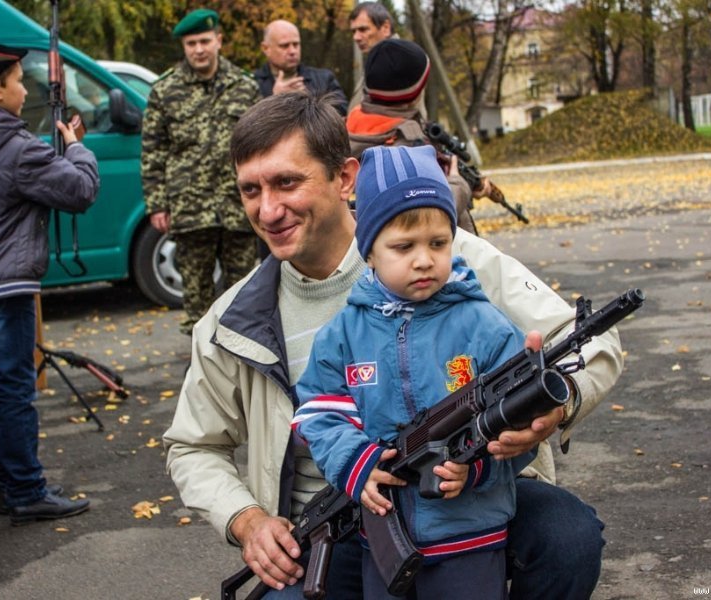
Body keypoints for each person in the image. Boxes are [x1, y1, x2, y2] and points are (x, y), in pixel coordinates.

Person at [164, 92, 622, 599]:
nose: (268, 209)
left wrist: (556, 405)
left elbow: (587, 340)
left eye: (287, 182)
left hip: (469, 492)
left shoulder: (446, 259)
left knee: (567, 536)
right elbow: (193, 445)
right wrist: (247, 520)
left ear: (344, 178)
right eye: (251, 189)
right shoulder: (233, 321)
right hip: (334, 524)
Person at [292, 144, 535, 598]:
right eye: (403, 247)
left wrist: (475, 469)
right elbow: (318, 412)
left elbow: (518, 426)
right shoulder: (345, 333)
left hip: (470, 537)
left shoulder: (484, 325)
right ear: (369, 252)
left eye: (438, 243)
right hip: (383, 536)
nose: (424, 259)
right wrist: (356, 464)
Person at [0, 43, 98, 524]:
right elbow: (80, 190)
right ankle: (27, 490)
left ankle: (10, 485)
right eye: (17, 80)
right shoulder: (15, 147)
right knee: (13, 389)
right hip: (4, 284)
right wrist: (76, 147)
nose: (25, 90)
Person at [141, 8, 260, 336]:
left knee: (245, 294)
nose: (198, 49)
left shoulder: (244, 87)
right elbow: (153, 150)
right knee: (196, 298)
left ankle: (243, 354)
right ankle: (201, 358)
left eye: (205, 41)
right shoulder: (165, 90)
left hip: (237, 205)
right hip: (190, 208)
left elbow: (260, 147)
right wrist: (157, 204)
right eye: (191, 43)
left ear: (219, 40)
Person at [347, 38, 488, 234]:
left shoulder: (346, 128)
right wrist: (459, 185)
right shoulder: (410, 146)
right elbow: (428, 213)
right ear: (415, 92)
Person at [253, 19, 348, 116]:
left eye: (296, 44)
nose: (292, 51)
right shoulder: (252, 83)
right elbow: (248, 123)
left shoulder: (324, 79)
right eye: (284, 46)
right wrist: (275, 100)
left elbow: (342, 113)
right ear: (266, 48)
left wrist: (308, 102)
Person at [348, 1, 395, 110]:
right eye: (353, 31)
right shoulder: (379, 59)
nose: (356, 37)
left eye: (363, 29)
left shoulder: (398, 63)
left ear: (385, 28)